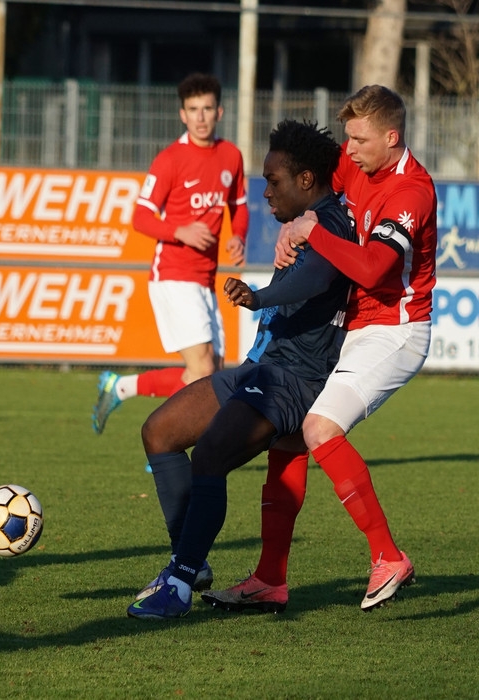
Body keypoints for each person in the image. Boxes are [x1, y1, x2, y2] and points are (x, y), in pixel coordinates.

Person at [204, 85, 436, 613]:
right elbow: (310, 200)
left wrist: (310, 231)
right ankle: (269, 579)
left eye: (359, 140)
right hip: (354, 326)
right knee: (288, 439)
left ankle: (388, 556)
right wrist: (294, 226)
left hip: (395, 331)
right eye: (347, 138)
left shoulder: (411, 193)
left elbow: (374, 268)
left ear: (391, 137)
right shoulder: (355, 165)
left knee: (319, 428)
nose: (348, 150)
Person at [127, 119, 355, 620]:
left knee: (211, 454)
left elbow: (319, 277)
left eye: (274, 181)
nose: (265, 192)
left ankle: (178, 582)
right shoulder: (303, 222)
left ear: (306, 180)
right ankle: (191, 561)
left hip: (292, 380)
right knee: (159, 432)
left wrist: (259, 296)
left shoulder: (333, 222)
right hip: (259, 367)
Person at [93, 73, 248, 435]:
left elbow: (239, 206)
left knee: (213, 376)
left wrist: (238, 236)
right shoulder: (170, 159)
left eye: (207, 108)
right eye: (193, 109)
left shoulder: (231, 156)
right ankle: (165, 446)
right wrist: (179, 231)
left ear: (219, 111)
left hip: (205, 279)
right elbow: (141, 217)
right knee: (203, 371)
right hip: (173, 274)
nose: (200, 117)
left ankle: (120, 387)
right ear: (182, 114)